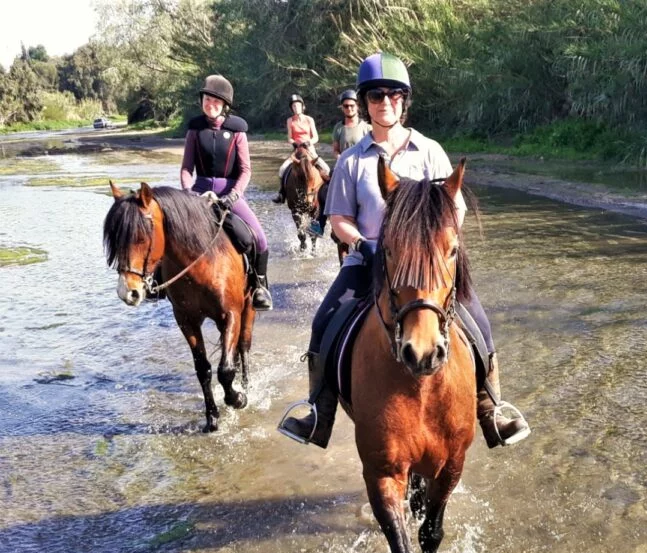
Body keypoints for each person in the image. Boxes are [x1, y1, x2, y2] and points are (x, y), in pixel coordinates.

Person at [279, 52, 530, 450]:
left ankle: (491, 409)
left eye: (393, 95)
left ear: (404, 100)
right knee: (325, 318)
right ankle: (318, 412)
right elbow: (340, 219)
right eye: (376, 95)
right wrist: (363, 243)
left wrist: (435, 247)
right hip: (370, 259)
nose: (385, 102)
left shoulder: (430, 151)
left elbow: (455, 207)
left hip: (426, 265)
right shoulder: (351, 162)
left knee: (478, 319)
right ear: (365, 103)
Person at [180, 74, 273, 310]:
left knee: (260, 239)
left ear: (224, 105)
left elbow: (245, 170)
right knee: (171, 229)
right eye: (207, 100)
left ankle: (260, 286)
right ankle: (158, 284)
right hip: (198, 191)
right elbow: (185, 168)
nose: (210, 105)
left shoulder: (237, 131)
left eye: (216, 101)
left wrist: (233, 195)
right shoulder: (194, 129)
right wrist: (188, 193)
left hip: (230, 192)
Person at [308, 89, 369, 239]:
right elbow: (335, 149)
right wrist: (340, 156)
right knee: (324, 190)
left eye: (352, 106)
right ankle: (319, 225)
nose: (349, 108)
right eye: (346, 106)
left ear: (357, 107)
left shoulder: (366, 127)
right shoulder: (338, 128)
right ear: (342, 108)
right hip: (343, 165)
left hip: (362, 166)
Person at [272, 94, 331, 204]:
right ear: (292, 108)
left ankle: (329, 193)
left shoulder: (309, 119)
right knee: (282, 170)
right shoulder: (290, 120)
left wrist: (309, 142)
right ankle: (282, 194)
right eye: (293, 106)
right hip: (297, 151)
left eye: (298, 106)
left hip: (309, 150)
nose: (296, 108)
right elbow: (289, 137)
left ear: (302, 107)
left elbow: (316, 137)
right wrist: (294, 143)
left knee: (326, 169)